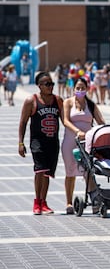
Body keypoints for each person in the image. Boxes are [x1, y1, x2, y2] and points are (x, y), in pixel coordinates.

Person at [18, 72, 64, 215]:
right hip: (38, 142)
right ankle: (37, 202)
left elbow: (64, 120)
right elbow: (23, 122)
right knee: (40, 170)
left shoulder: (58, 100)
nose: (50, 87)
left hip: (53, 142)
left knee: (47, 173)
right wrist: (21, 142)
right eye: (47, 84)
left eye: (52, 84)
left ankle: (44, 202)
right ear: (39, 86)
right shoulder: (31, 101)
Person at [61, 77, 105, 214]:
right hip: (70, 140)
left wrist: (103, 132)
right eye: (77, 88)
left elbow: (100, 121)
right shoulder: (68, 102)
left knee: (88, 170)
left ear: (87, 89)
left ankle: (93, 199)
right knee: (70, 171)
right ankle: (69, 202)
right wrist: (77, 131)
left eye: (82, 88)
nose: (80, 90)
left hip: (87, 142)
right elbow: (66, 121)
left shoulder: (91, 105)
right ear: (73, 89)